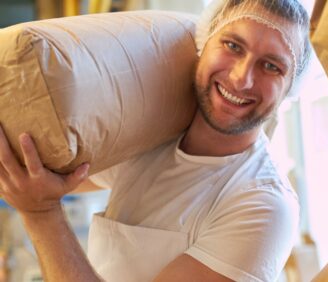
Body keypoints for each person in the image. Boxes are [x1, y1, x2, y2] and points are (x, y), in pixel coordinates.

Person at [0, 0, 310, 281]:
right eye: (233, 45)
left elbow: (42, 198)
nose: (242, 78)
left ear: (290, 90)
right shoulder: (150, 137)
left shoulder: (264, 206)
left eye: (272, 66)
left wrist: (41, 215)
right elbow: (55, 175)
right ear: (204, 43)